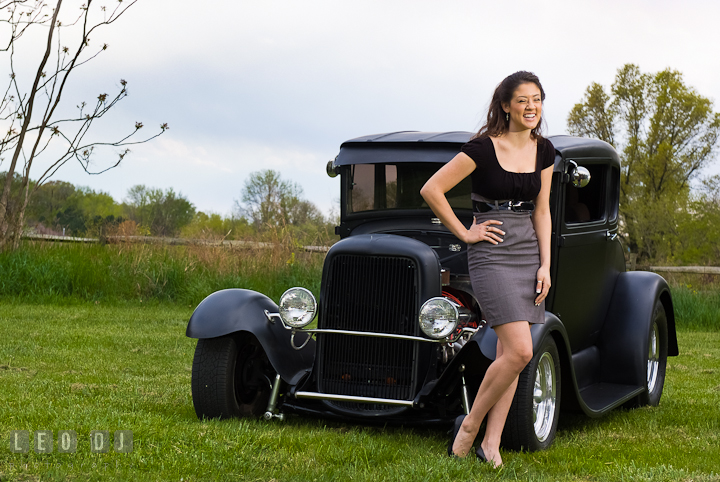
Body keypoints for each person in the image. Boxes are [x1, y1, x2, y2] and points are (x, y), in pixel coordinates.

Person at [420, 71, 554, 467]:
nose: (532, 107)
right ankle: (469, 427)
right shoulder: (481, 148)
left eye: (537, 99)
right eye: (523, 100)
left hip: (527, 251)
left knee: (512, 355)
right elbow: (432, 189)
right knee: (519, 350)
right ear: (506, 106)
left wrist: (546, 263)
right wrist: (465, 232)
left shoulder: (544, 151)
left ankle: (490, 444)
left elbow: (542, 211)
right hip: (492, 251)